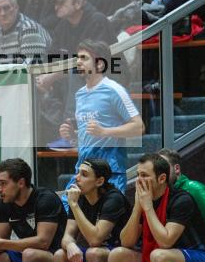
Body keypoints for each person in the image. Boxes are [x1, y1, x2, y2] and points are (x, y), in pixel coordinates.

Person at [59, 40, 144, 195]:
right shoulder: (79, 94)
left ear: (99, 64)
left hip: (110, 171)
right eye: (78, 58)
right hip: (83, 170)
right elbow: (90, 135)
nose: (78, 62)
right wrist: (73, 135)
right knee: (66, 208)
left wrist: (105, 131)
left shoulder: (115, 90)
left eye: (84, 58)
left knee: (106, 211)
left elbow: (139, 127)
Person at [0, 0, 52, 65]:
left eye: (6, 8)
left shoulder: (29, 29)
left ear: (16, 8)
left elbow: (31, 68)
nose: (3, 13)